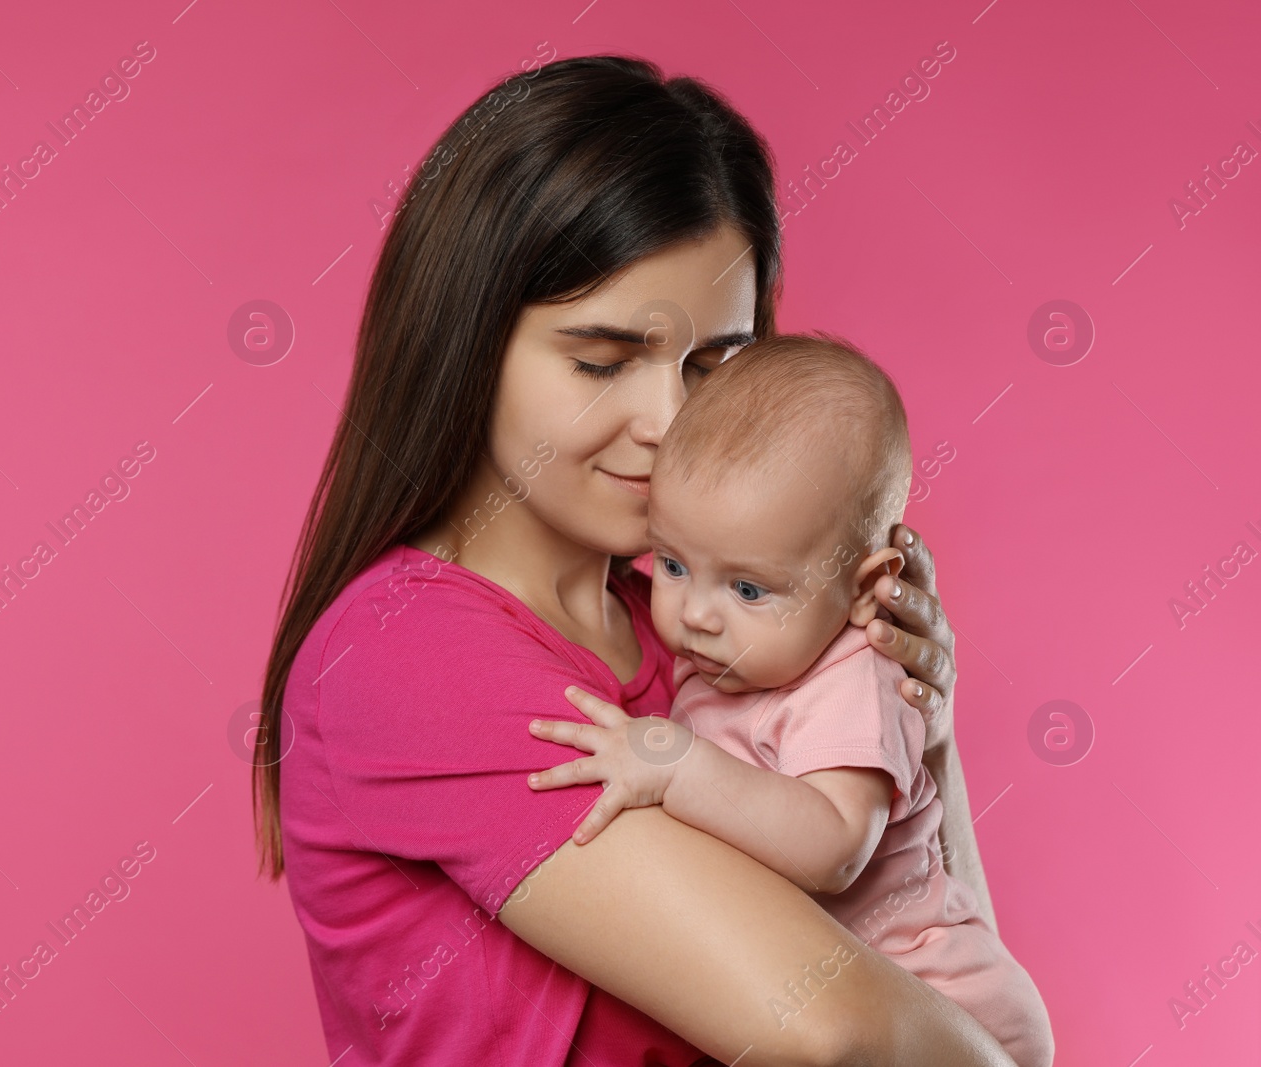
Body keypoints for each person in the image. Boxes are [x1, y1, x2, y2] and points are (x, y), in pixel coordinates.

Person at [253, 53, 1016, 1065]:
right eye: (603, 360)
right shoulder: (411, 653)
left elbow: (942, 952)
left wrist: (919, 720)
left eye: (714, 364)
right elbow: (843, 1029)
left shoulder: (702, 616)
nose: (669, 421)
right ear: (466, 342)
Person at [525, 333, 1053, 1066]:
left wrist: (676, 765)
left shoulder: (853, 677)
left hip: (947, 1004)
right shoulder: (728, 657)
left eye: (747, 587)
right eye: (674, 562)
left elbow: (834, 847)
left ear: (867, 586)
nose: (698, 613)